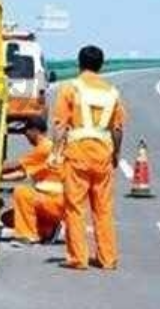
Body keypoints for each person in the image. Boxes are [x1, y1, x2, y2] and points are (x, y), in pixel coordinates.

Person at [51, 45, 126, 270]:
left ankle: (78, 258)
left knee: (75, 207)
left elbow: (60, 125)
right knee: (103, 208)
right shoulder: (112, 92)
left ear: (79, 63)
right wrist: (116, 154)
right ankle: (107, 258)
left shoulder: (71, 88)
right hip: (103, 155)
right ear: (101, 66)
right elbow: (118, 129)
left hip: (77, 154)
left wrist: (55, 152)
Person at [0, 116, 64, 244]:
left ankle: (27, 235)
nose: (25, 136)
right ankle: (47, 229)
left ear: (34, 130)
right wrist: (0, 178)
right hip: (52, 201)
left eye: (26, 132)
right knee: (8, 218)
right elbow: (22, 173)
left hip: (56, 201)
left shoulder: (44, 147)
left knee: (21, 192)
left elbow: (16, 166)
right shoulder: (48, 148)